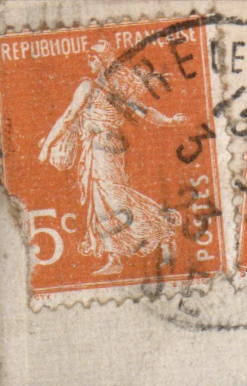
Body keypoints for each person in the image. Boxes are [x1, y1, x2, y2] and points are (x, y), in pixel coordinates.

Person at [37, 40, 186, 275]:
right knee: (100, 202)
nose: (89, 61)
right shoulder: (89, 86)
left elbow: (143, 111)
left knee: (115, 201)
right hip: (95, 148)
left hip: (106, 148)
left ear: (104, 60)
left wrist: (168, 121)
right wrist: (48, 144)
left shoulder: (111, 88)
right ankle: (114, 258)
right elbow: (68, 116)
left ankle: (163, 232)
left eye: (93, 57)